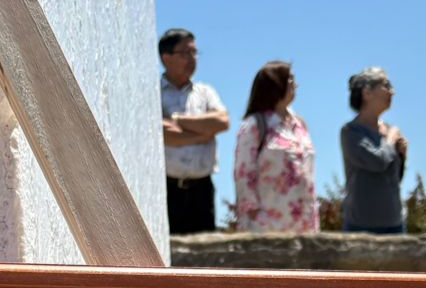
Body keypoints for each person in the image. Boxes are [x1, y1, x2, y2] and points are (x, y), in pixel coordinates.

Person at [232, 62, 318, 234]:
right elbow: (243, 172)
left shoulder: (300, 124)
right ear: (275, 84)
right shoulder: (255, 125)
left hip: (303, 224)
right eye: (290, 79)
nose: (296, 84)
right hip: (268, 225)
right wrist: (255, 214)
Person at [159, 28, 229, 235]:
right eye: (185, 53)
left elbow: (221, 121)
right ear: (166, 58)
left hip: (202, 190)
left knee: (205, 260)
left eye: (194, 52)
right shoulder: (152, 92)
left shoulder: (205, 92)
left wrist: (177, 120)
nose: (192, 59)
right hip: (166, 190)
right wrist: (202, 133)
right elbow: (162, 134)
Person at [339, 68, 408, 234]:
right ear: (367, 92)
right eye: (386, 85)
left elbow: (394, 179)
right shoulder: (351, 132)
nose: (392, 91)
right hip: (360, 225)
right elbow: (377, 162)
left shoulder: (388, 130)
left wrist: (402, 156)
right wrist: (391, 141)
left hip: (395, 223)